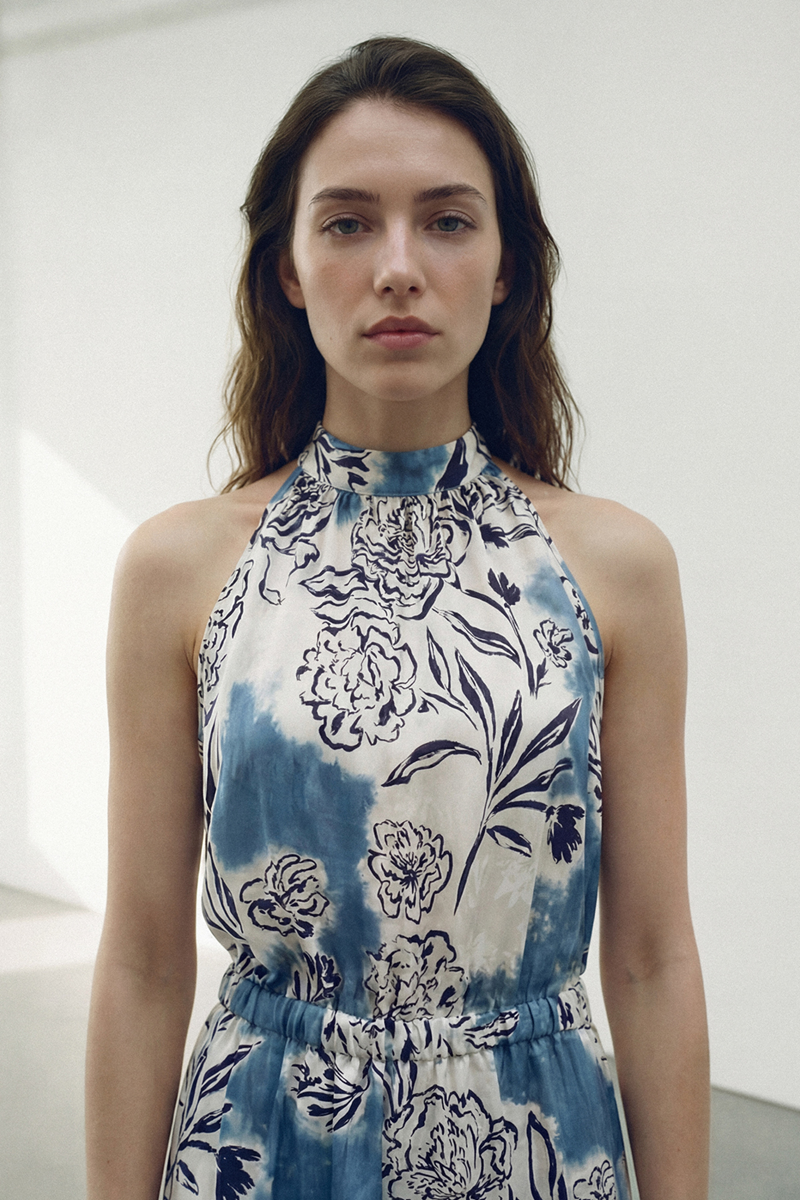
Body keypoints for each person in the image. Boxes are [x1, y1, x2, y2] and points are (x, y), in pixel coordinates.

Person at [85, 35, 709, 1200]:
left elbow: (650, 956)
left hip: (528, 1146)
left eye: (447, 220)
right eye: (346, 223)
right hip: (263, 1143)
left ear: (506, 266)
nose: (397, 268)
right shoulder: (180, 571)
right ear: (286, 267)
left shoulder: (612, 569)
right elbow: (140, 960)